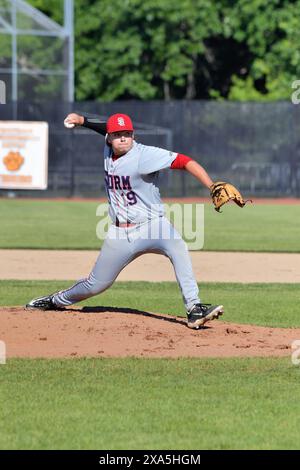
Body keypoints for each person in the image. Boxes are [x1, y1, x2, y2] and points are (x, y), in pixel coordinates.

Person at [26, 112, 224, 329]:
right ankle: (54, 300)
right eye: (118, 134)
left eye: (127, 134)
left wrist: (211, 185)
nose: (123, 138)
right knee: (96, 285)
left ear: (133, 134)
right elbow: (104, 127)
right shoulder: (108, 148)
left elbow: (185, 161)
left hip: (153, 225)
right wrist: (82, 120)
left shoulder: (145, 155)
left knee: (178, 247)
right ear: (109, 138)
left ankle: (194, 308)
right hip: (120, 233)